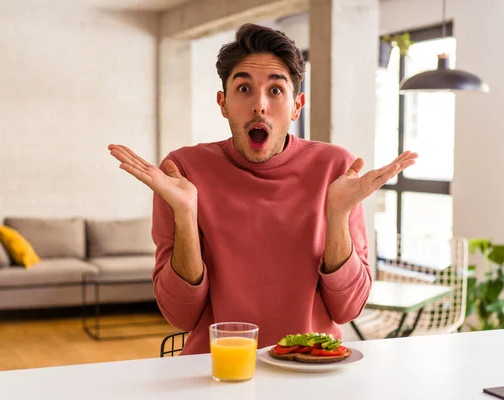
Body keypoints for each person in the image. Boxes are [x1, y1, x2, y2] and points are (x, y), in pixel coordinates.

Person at [108, 23, 417, 355]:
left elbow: (348, 309)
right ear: (223, 103)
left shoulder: (336, 169)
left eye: (275, 90)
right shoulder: (181, 172)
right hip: (215, 370)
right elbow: (181, 315)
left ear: (297, 105)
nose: (259, 105)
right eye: (244, 89)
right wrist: (185, 215)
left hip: (311, 369)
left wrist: (338, 215)